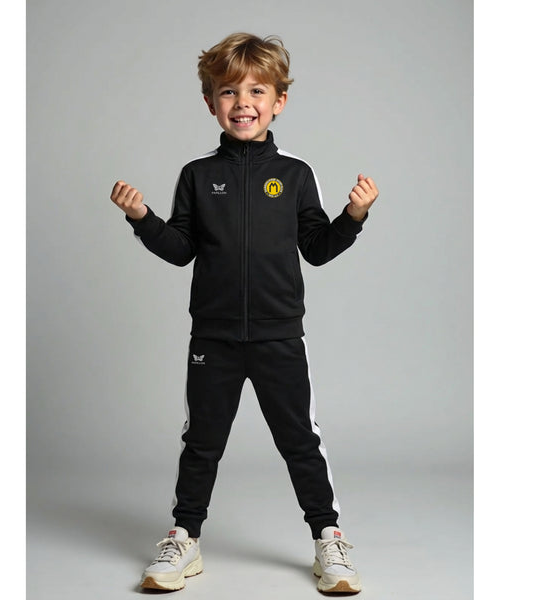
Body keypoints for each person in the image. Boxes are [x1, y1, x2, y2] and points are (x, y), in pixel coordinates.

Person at [110, 32, 378, 594]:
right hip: (214, 337)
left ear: (279, 101)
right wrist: (143, 219)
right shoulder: (196, 174)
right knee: (202, 442)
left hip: (280, 337)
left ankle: (328, 538)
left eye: (257, 91)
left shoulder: (297, 173)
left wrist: (352, 217)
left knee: (299, 441)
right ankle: (184, 538)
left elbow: (317, 249)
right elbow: (180, 249)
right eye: (229, 91)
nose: (243, 102)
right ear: (210, 102)